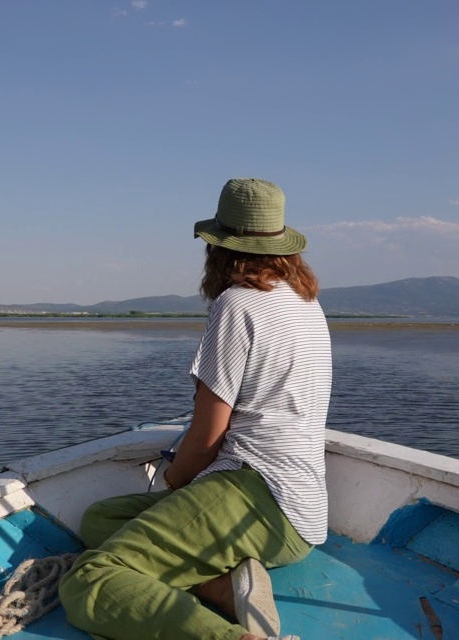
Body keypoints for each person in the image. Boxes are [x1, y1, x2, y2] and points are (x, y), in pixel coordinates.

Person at [58, 178, 332, 640]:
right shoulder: (305, 302)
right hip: (300, 510)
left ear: (220, 248)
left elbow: (206, 438)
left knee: (89, 581)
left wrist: (175, 482)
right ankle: (223, 587)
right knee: (100, 519)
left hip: (255, 492)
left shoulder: (237, 303)